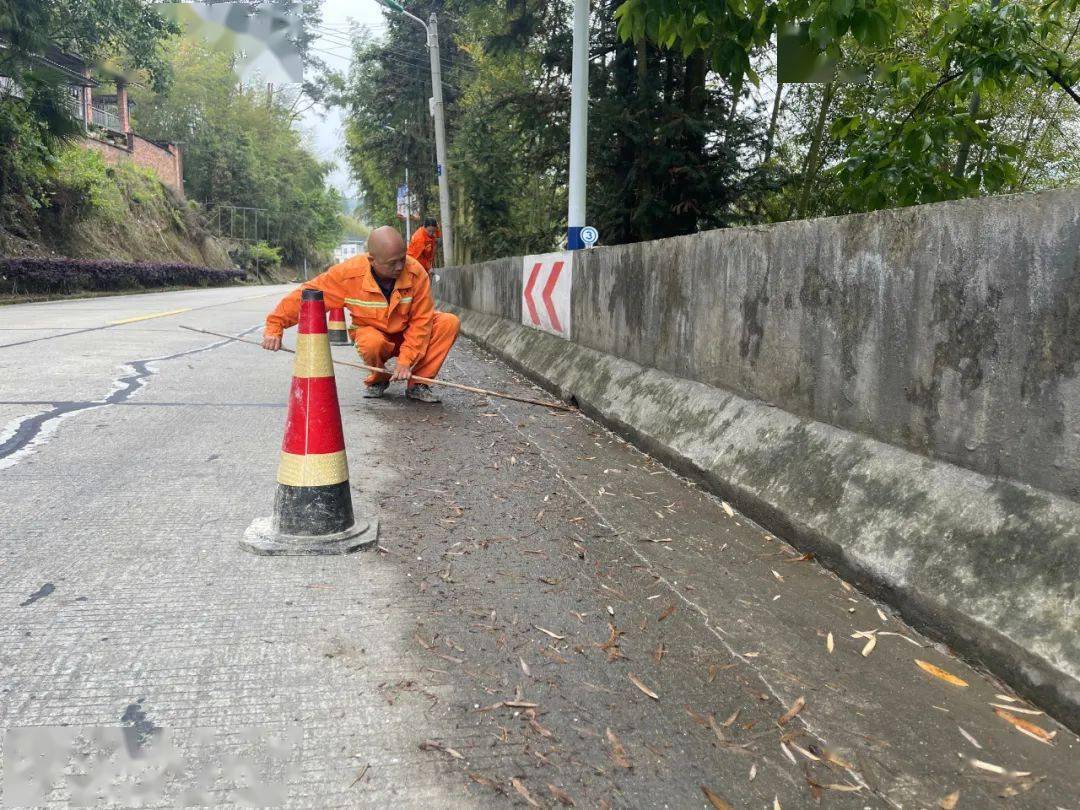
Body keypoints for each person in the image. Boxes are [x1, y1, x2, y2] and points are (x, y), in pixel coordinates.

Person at [262, 226, 459, 403]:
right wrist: (274, 326)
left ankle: (418, 384)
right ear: (372, 260)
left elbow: (421, 322)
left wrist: (405, 360)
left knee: (448, 322)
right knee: (371, 341)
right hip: (373, 333)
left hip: (407, 332)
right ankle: (379, 379)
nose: (400, 267)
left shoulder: (416, 272)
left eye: (402, 259)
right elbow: (307, 295)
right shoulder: (349, 274)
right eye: (392, 263)